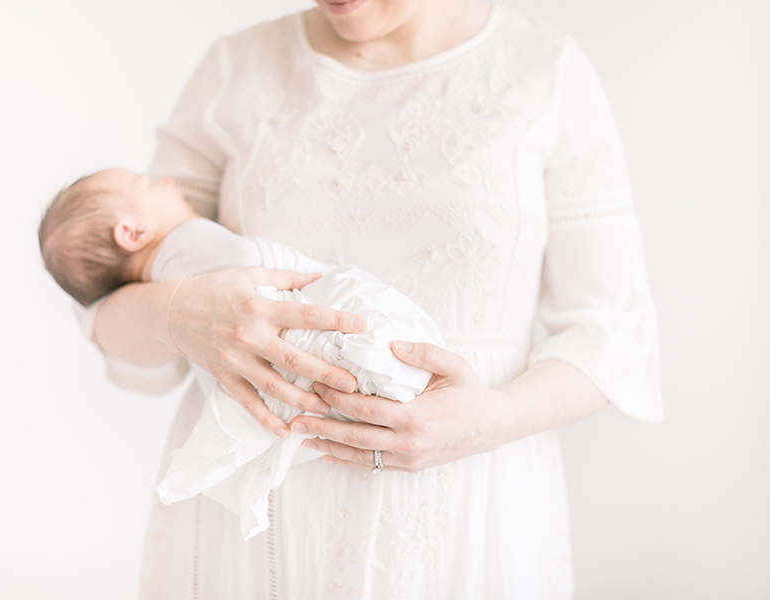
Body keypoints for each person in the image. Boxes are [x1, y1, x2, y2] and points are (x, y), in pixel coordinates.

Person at [79, 1, 663, 597]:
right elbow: (111, 298)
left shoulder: (544, 67)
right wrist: (178, 315)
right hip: (259, 526)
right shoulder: (238, 68)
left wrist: (491, 420)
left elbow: (612, 332)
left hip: (464, 500)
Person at [38, 167, 446, 540]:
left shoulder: (166, 277)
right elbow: (253, 267)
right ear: (132, 233)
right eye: (148, 184)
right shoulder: (185, 242)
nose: (168, 182)